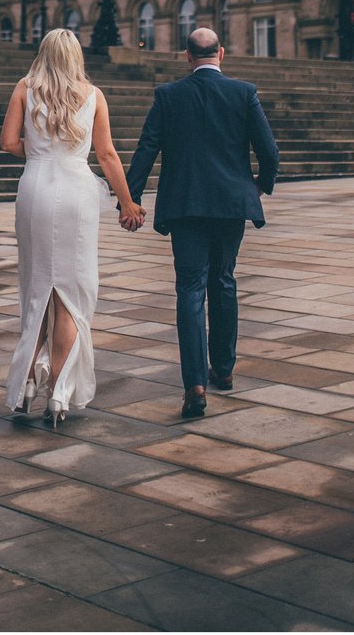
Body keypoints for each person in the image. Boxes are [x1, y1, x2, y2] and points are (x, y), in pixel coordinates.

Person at [121, 26, 279, 419]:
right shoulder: (244, 93)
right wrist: (259, 186)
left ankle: (194, 385)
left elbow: (147, 147)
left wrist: (131, 199)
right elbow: (270, 152)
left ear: (187, 57)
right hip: (231, 204)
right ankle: (223, 370)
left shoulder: (169, 95)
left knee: (190, 288)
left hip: (186, 205)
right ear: (221, 54)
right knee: (223, 279)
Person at [1, 28, 146, 423]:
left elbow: (7, 142)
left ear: (44, 54)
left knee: (36, 291)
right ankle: (59, 395)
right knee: (71, 293)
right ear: (76, 56)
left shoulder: (24, 88)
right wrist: (128, 202)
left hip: (35, 188)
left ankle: (27, 383)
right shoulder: (94, 95)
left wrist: (39, 151)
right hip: (78, 192)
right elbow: (108, 154)